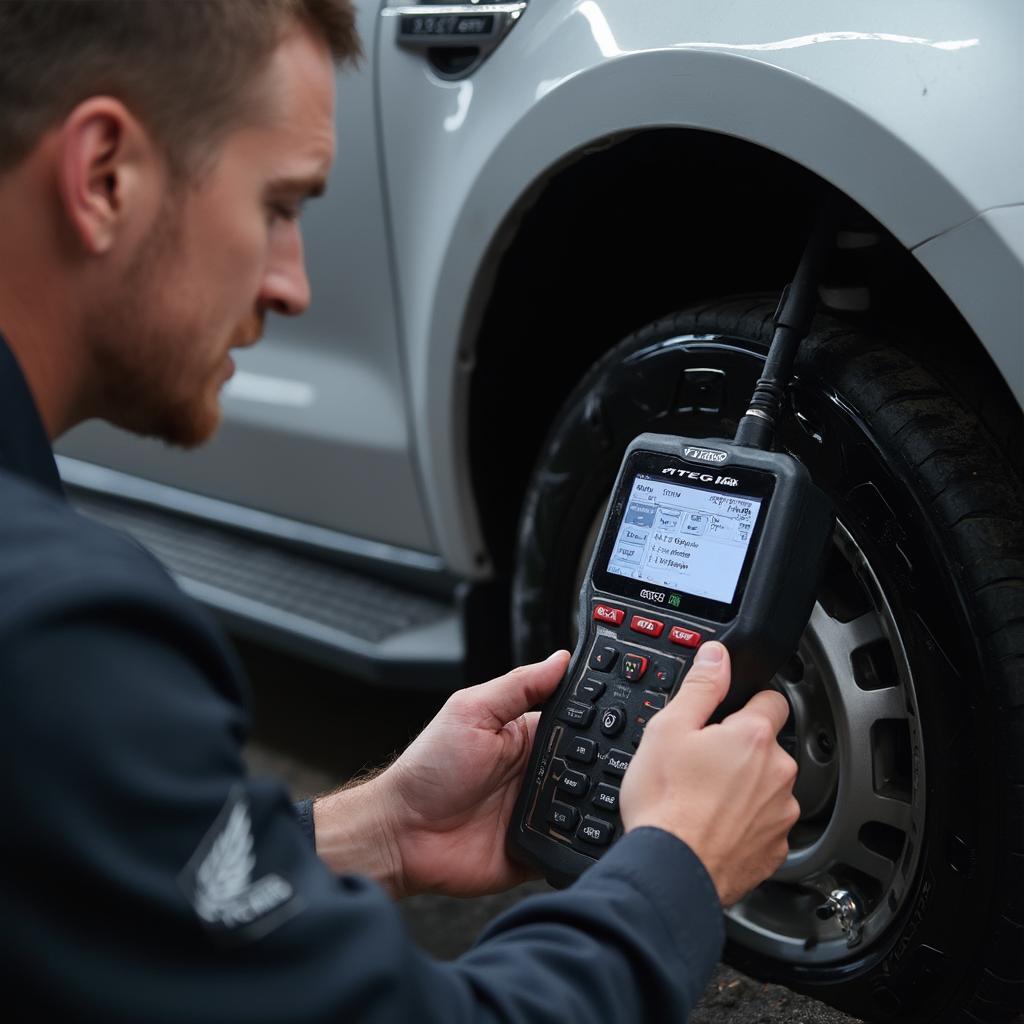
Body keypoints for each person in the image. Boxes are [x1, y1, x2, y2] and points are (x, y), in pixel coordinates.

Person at [0, 2, 800, 1021]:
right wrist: (671, 871)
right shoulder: (60, 637)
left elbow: (69, 886)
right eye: (279, 205)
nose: (291, 285)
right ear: (105, 173)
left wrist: (376, 830)